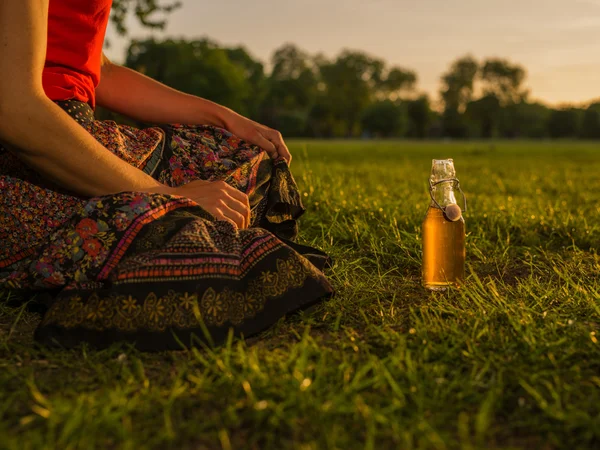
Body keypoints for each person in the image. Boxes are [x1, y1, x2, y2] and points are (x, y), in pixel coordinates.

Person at [0, 0, 332, 350]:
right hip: (25, 149)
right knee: (193, 251)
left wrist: (227, 119)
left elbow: (101, 71)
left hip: (73, 131)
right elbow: (15, 112)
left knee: (242, 151)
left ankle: (154, 232)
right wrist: (165, 195)